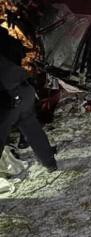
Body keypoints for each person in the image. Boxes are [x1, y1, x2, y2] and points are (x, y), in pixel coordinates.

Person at [0, 27, 57, 172]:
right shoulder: (5, 39)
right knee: (31, 126)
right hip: (25, 88)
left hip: (7, 97)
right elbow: (20, 50)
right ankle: (50, 163)